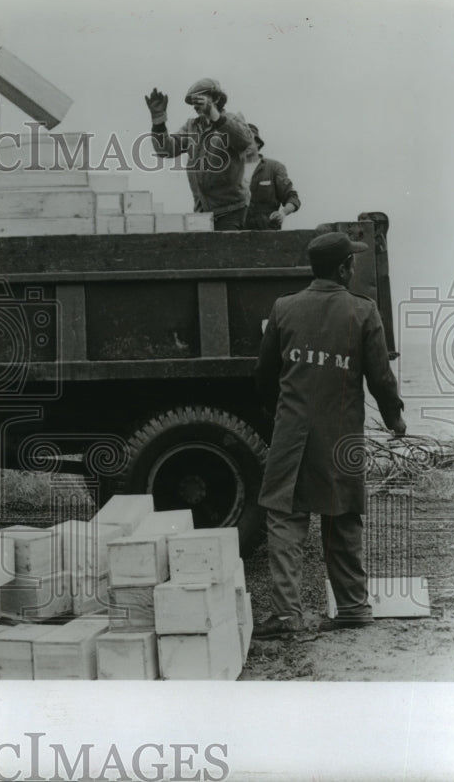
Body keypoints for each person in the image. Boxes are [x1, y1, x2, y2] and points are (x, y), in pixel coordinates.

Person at [252, 231, 406, 639]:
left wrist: (278, 413)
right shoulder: (363, 311)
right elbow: (380, 377)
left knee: (285, 519)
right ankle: (353, 607)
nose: (354, 267)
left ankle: (287, 616)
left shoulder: (284, 308)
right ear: (343, 269)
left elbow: (264, 375)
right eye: (352, 262)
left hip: (292, 433)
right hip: (340, 436)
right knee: (342, 517)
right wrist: (395, 419)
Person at [146, 77, 254, 230]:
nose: (196, 105)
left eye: (201, 98)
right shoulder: (192, 126)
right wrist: (158, 121)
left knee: (226, 245)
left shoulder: (232, 120)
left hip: (231, 210)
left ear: (216, 98)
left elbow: (245, 141)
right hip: (203, 212)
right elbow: (166, 150)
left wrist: (214, 115)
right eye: (193, 101)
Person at [244, 124, 301, 230]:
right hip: (236, 230)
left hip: (267, 229)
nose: (245, 144)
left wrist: (282, 213)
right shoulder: (231, 171)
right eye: (241, 141)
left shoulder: (274, 168)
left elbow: (292, 197)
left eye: (248, 140)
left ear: (258, 143)